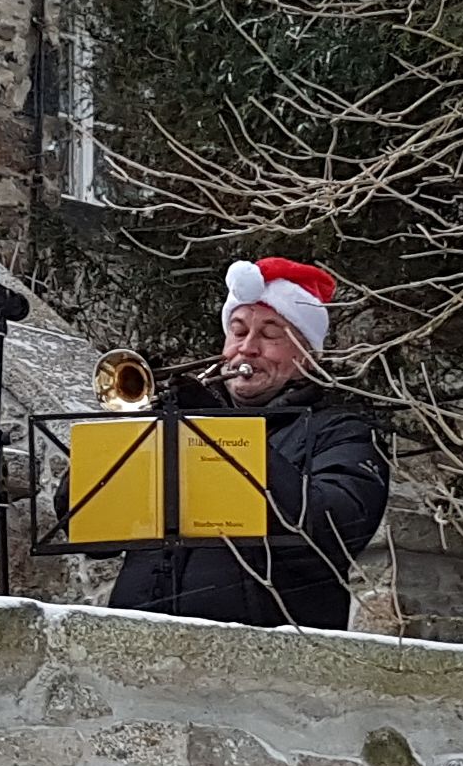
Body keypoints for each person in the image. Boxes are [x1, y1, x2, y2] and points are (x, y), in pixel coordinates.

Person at [82, 257, 390, 629]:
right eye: (238, 331)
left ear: (307, 355)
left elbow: (332, 533)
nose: (247, 348)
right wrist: (129, 437)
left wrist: (220, 430)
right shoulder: (181, 423)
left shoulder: (344, 431)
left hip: (265, 657)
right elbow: (92, 532)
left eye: (270, 334)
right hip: (135, 639)